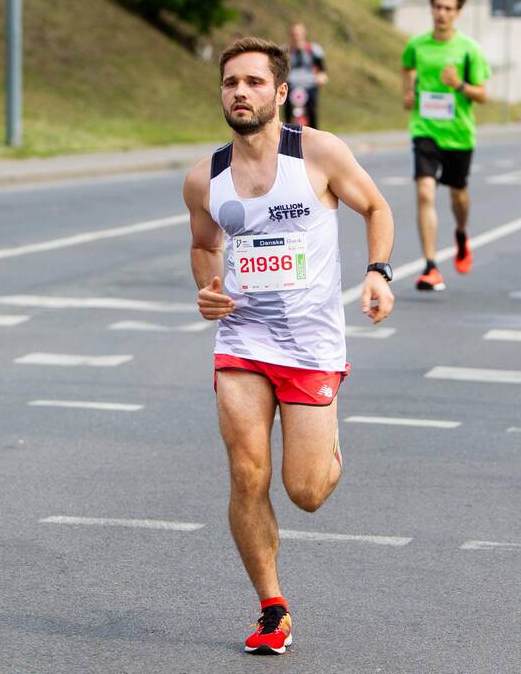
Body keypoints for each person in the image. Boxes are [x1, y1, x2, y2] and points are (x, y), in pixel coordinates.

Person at [182, 36, 395, 656]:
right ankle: (272, 608)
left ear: (279, 92)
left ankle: (326, 441)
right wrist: (207, 288)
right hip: (242, 340)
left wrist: (378, 271)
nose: (239, 92)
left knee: (306, 491)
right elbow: (203, 246)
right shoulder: (205, 179)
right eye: (230, 83)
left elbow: (376, 207)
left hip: (310, 347)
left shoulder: (319, 154)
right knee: (248, 473)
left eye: (252, 82)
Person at [401, 0, 491, 292]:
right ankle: (430, 266)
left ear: (457, 13)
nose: (442, 13)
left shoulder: (469, 49)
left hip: (459, 134)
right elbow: (407, 67)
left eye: (448, 9)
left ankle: (462, 233)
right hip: (425, 129)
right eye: (438, 7)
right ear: (431, 9)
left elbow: (482, 95)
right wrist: (408, 92)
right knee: (425, 192)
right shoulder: (417, 44)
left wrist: (460, 85)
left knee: (458, 196)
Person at [283, 23, 327, 129]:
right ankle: (287, 133)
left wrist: (321, 77)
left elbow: (322, 69)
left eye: (299, 34)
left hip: (309, 84)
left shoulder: (313, 50)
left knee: (312, 110)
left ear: (304, 34)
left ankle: (314, 132)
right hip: (291, 85)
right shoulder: (284, 51)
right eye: (294, 34)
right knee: (287, 109)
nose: (297, 37)